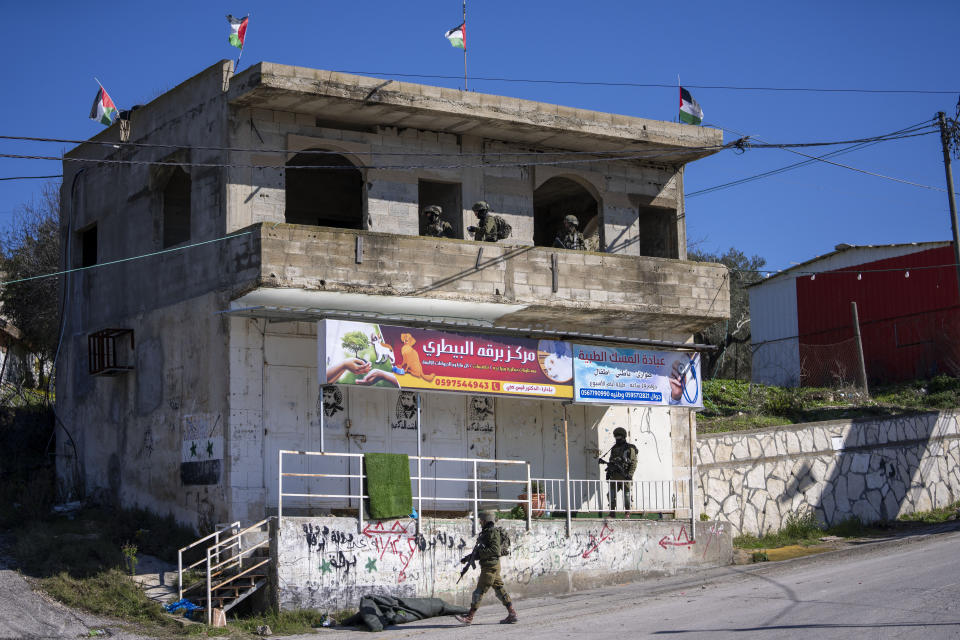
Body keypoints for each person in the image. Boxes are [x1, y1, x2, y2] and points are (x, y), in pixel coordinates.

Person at [455, 510, 518, 625]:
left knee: (479, 591)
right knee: (499, 589)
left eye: (481, 521)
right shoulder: (487, 532)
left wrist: (479, 553)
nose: (480, 523)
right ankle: (512, 613)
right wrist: (469, 558)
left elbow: (494, 550)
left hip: (490, 566)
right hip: (492, 565)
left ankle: (469, 617)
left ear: (485, 521)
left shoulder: (492, 532)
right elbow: (483, 551)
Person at [599, 427, 638, 517]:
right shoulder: (614, 448)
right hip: (615, 476)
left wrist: (630, 475)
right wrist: (608, 472)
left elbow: (633, 462)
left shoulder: (629, 448)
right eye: (616, 437)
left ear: (623, 437)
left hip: (625, 477)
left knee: (627, 496)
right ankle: (612, 513)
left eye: (619, 437)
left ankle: (627, 512)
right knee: (610, 495)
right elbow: (611, 461)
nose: (617, 439)